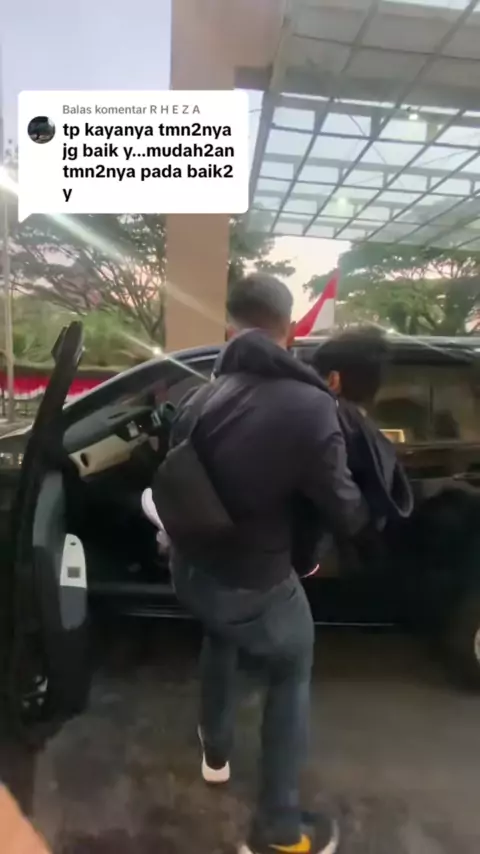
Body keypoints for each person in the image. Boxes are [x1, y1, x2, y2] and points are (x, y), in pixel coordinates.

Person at [155, 274, 369, 854]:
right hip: (254, 583)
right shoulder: (311, 405)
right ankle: (279, 830)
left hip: (190, 571)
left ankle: (216, 752)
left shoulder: (199, 396)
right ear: (291, 330)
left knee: (221, 636)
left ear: (230, 329)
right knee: (291, 668)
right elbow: (344, 507)